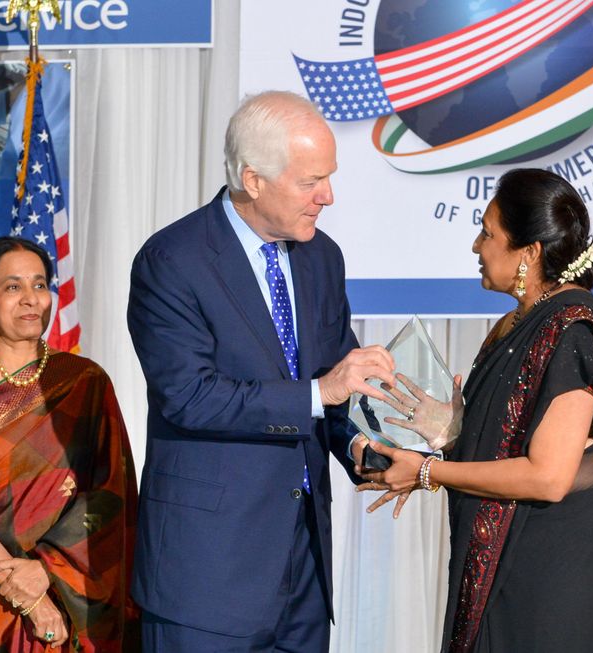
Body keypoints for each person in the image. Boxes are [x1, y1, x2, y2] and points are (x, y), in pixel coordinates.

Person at [126, 90, 396, 652]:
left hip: (304, 573)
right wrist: (321, 392)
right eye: (310, 181)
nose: (327, 196)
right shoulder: (171, 261)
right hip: (207, 575)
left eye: (329, 177)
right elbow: (190, 396)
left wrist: (360, 447)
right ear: (253, 180)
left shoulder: (322, 257)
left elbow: (334, 383)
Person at [360, 169, 593, 652]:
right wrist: (452, 434)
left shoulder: (573, 332)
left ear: (528, 253)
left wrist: (430, 472)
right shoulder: (517, 324)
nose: (477, 246)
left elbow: (548, 477)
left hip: (546, 588)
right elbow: (510, 444)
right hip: (510, 572)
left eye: (488, 234)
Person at [0, 236, 140, 653]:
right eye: (13, 286)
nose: (30, 298)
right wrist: (21, 589)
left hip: (69, 588)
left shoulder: (85, 381)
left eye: (40, 284)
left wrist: (46, 569)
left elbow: (110, 493)